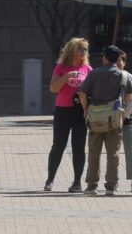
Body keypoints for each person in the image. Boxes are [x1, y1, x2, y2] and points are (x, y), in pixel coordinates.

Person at [79, 45, 132, 196]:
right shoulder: (123, 76)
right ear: (118, 59)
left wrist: (86, 109)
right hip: (114, 120)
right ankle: (111, 186)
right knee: (113, 153)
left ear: (104, 57)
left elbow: (82, 93)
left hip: (96, 118)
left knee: (93, 152)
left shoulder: (94, 73)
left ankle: (92, 186)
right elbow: (129, 96)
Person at [44, 37, 92, 193]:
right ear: (72, 50)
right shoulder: (61, 67)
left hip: (80, 112)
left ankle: (77, 182)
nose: (84, 52)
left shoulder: (88, 69)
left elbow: (93, 91)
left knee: (79, 148)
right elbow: (53, 88)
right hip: (63, 111)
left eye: (86, 49)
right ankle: (50, 179)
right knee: (58, 145)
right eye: (81, 48)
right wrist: (66, 77)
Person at [116, 50, 132, 192]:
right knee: (113, 152)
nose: (118, 63)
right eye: (116, 60)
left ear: (124, 62)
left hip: (127, 119)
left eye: (121, 60)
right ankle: (114, 181)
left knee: (130, 150)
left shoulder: (131, 78)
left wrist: (124, 115)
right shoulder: (109, 76)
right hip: (110, 119)